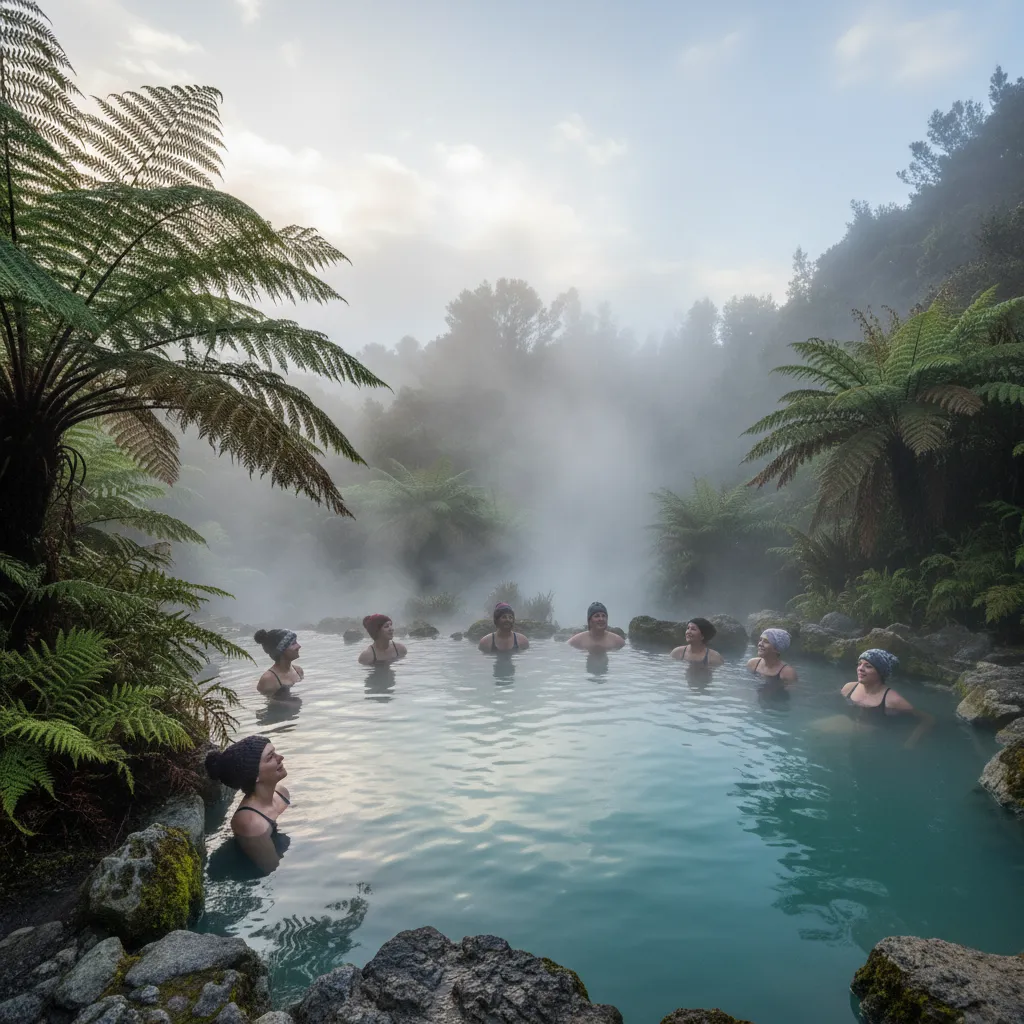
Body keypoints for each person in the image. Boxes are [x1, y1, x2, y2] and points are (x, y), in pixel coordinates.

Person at [206, 735, 291, 873]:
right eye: (270, 757)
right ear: (255, 775)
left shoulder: (282, 793)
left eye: (275, 752)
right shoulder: (250, 823)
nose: (280, 757)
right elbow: (274, 870)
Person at [841, 649, 934, 747]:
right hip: (853, 733)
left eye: (868, 666)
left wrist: (911, 742)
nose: (860, 668)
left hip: (876, 741)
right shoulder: (849, 688)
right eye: (859, 664)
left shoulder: (893, 700)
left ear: (881, 672)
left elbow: (928, 719)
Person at [255, 629, 303, 698]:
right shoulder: (269, 679)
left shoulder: (299, 671)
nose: (299, 646)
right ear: (281, 650)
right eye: (293, 643)